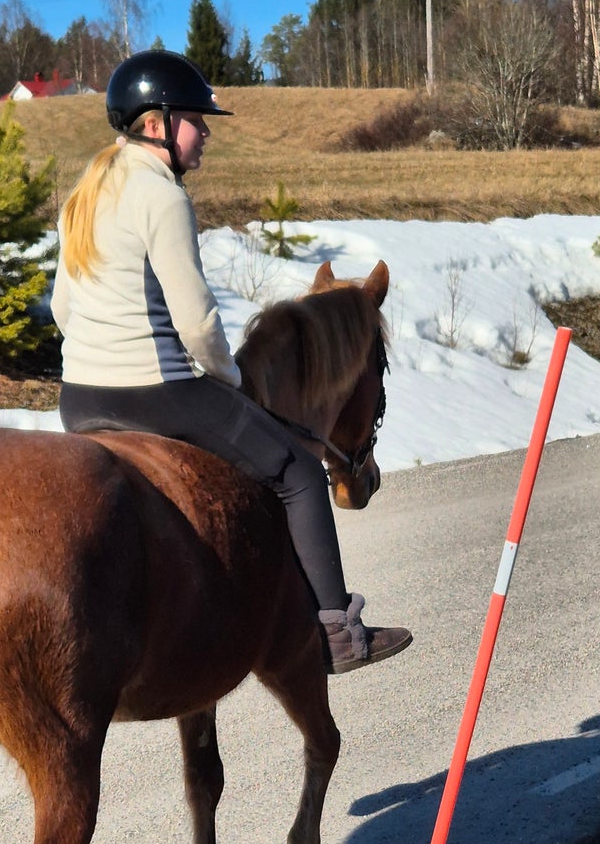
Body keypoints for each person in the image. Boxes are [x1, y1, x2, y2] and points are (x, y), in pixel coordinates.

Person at [50, 48, 412, 676]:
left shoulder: (87, 191)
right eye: (197, 119)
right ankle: (338, 633)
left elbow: (61, 307)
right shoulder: (161, 196)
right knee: (297, 469)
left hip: (79, 397)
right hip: (157, 391)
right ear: (157, 122)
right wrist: (234, 381)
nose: (207, 132)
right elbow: (196, 323)